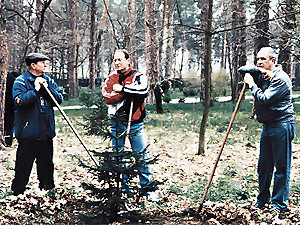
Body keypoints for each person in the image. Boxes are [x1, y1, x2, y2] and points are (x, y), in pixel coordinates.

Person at [242, 47, 295, 213]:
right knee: (264, 166)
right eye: (257, 59)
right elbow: (242, 69)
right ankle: (262, 200)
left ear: (273, 61)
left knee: (281, 166)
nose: (259, 62)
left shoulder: (281, 79)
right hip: (267, 126)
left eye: (263, 59)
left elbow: (264, 99)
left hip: (282, 125)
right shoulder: (263, 74)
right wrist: (260, 72)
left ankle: (279, 204)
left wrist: (252, 85)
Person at [102, 49, 154, 197]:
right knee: (119, 157)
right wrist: (127, 94)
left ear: (128, 60)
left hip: (135, 123)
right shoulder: (111, 77)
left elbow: (142, 91)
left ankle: (147, 190)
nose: (117, 63)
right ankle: (124, 190)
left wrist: (123, 89)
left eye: (120, 59)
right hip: (117, 123)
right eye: (115, 60)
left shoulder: (138, 76)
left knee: (141, 156)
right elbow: (107, 97)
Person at [11, 53, 63, 196]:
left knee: (46, 165)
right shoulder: (20, 82)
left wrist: (47, 90)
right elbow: (19, 101)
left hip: (46, 132)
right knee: (23, 165)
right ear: (33, 65)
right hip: (28, 133)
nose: (45, 65)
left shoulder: (49, 80)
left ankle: (48, 190)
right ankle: (18, 192)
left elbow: (58, 99)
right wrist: (35, 90)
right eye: (42, 62)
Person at [4, 72, 19, 147]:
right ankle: (8, 140)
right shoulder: (11, 78)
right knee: (9, 124)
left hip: (6, 103)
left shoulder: (7, 76)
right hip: (10, 105)